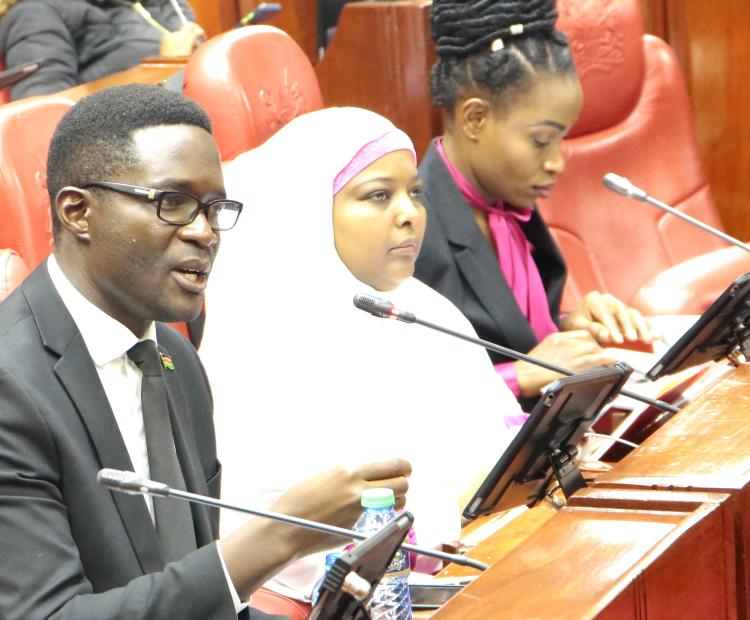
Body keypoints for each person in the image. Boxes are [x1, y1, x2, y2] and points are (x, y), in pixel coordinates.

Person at [0, 84, 411, 619]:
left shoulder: (174, 358)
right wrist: (277, 538)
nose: (204, 233)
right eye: (173, 204)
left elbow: (194, 599)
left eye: (214, 208)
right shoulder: (11, 385)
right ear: (79, 212)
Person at [200, 106, 521, 603]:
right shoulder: (264, 341)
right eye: (378, 196)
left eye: (415, 192)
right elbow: (316, 549)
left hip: (493, 558)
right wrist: (463, 502)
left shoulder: (418, 307)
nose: (410, 212)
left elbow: (505, 442)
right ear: (307, 212)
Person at [414, 0, 653, 408]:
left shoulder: (507, 200)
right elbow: (406, 390)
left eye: (562, 140)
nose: (557, 162)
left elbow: (510, 334)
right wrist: (517, 376)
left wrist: (573, 327)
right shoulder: (412, 228)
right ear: (474, 119)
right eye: (541, 141)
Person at [0, 0, 205, 100]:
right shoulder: (34, 14)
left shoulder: (132, 4)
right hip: (135, 148)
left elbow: (179, 19)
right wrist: (165, 68)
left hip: (197, 103)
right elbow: (40, 115)